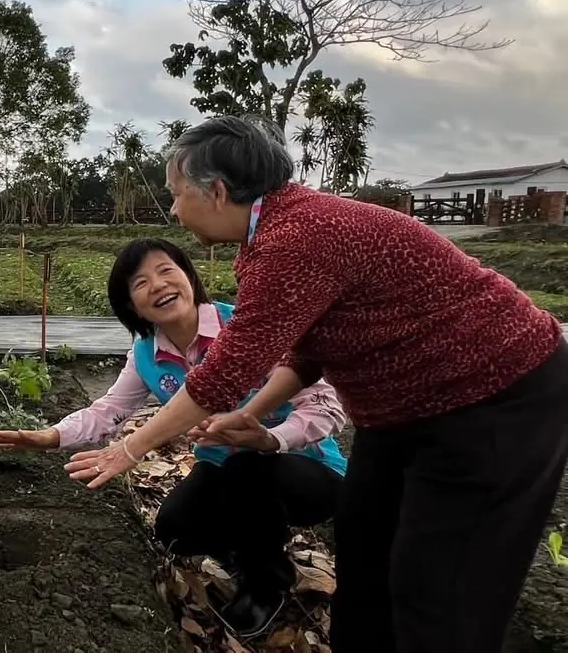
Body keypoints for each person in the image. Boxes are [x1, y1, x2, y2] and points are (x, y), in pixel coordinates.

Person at [64, 116, 568, 653]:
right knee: (365, 548)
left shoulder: (296, 239)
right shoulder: (271, 238)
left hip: (494, 397)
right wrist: (252, 413)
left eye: (175, 193)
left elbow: (226, 370)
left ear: (214, 192)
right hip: (401, 412)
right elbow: (307, 352)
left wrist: (130, 448)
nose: (172, 209)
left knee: (438, 591)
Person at [0, 238, 346, 638]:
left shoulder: (247, 328)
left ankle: (267, 585)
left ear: (189, 277)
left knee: (250, 469)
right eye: (139, 283)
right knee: (176, 529)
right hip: (223, 470)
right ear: (131, 307)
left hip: (307, 470)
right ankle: (253, 547)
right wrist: (52, 436)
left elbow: (326, 408)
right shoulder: (145, 354)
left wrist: (271, 438)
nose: (156, 285)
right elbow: (107, 411)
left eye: (165, 271)